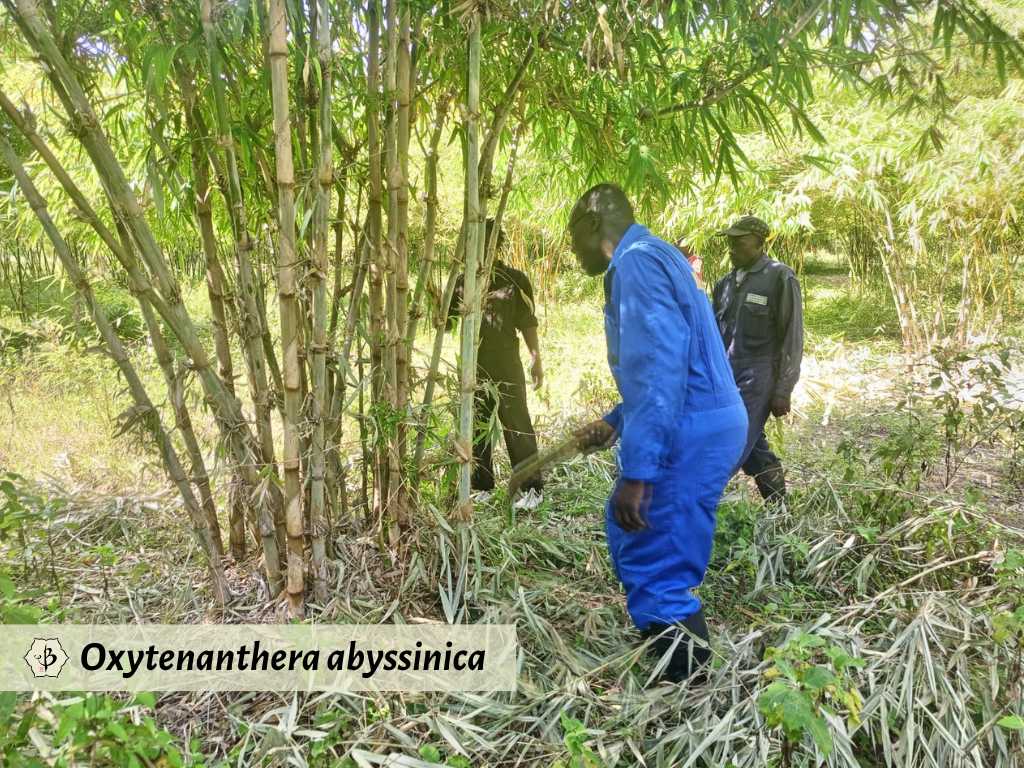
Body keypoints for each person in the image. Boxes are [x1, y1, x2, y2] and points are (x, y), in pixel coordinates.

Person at [570, 184, 747, 683]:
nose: (574, 252)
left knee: (655, 551)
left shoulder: (635, 265)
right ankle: (665, 647)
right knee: (632, 529)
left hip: (691, 427)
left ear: (592, 225)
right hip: (702, 416)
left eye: (572, 239)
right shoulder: (660, 253)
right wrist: (615, 420)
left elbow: (660, 369)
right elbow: (678, 362)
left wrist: (640, 470)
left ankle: (687, 691)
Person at [712, 215, 803, 506]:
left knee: (732, 442)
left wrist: (783, 389)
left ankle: (699, 506)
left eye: (739, 241)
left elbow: (792, 336)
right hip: (726, 375)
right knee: (751, 443)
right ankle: (779, 507)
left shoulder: (780, 277)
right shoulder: (724, 284)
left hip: (759, 375)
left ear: (759, 243)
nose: (732, 248)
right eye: (729, 242)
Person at [449, 219, 544, 496]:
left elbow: (528, 322)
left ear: (497, 245)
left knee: (517, 424)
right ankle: (480, 486)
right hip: (472, 365)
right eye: (473, 243)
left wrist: (536, 358)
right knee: (475, 423)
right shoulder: (461, 282)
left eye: (487, 243)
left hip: (506, 363)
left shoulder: (515, 280)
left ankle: (530, 489)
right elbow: (445, 323)